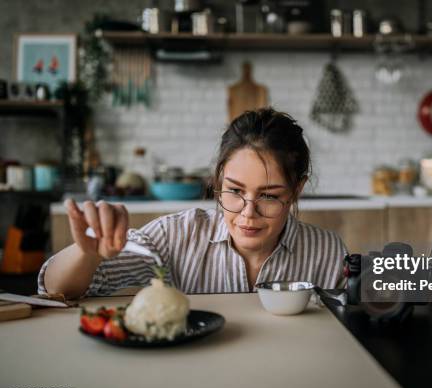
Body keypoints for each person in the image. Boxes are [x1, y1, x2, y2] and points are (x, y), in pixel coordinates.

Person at [38, 108, 348, 299]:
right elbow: (55, 289)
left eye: (268, 195)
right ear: (218, 180)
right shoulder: (176, 237)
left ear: (296, 190)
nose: (247, 214)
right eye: (235, 191)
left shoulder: (329, 255)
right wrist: (86, 251)